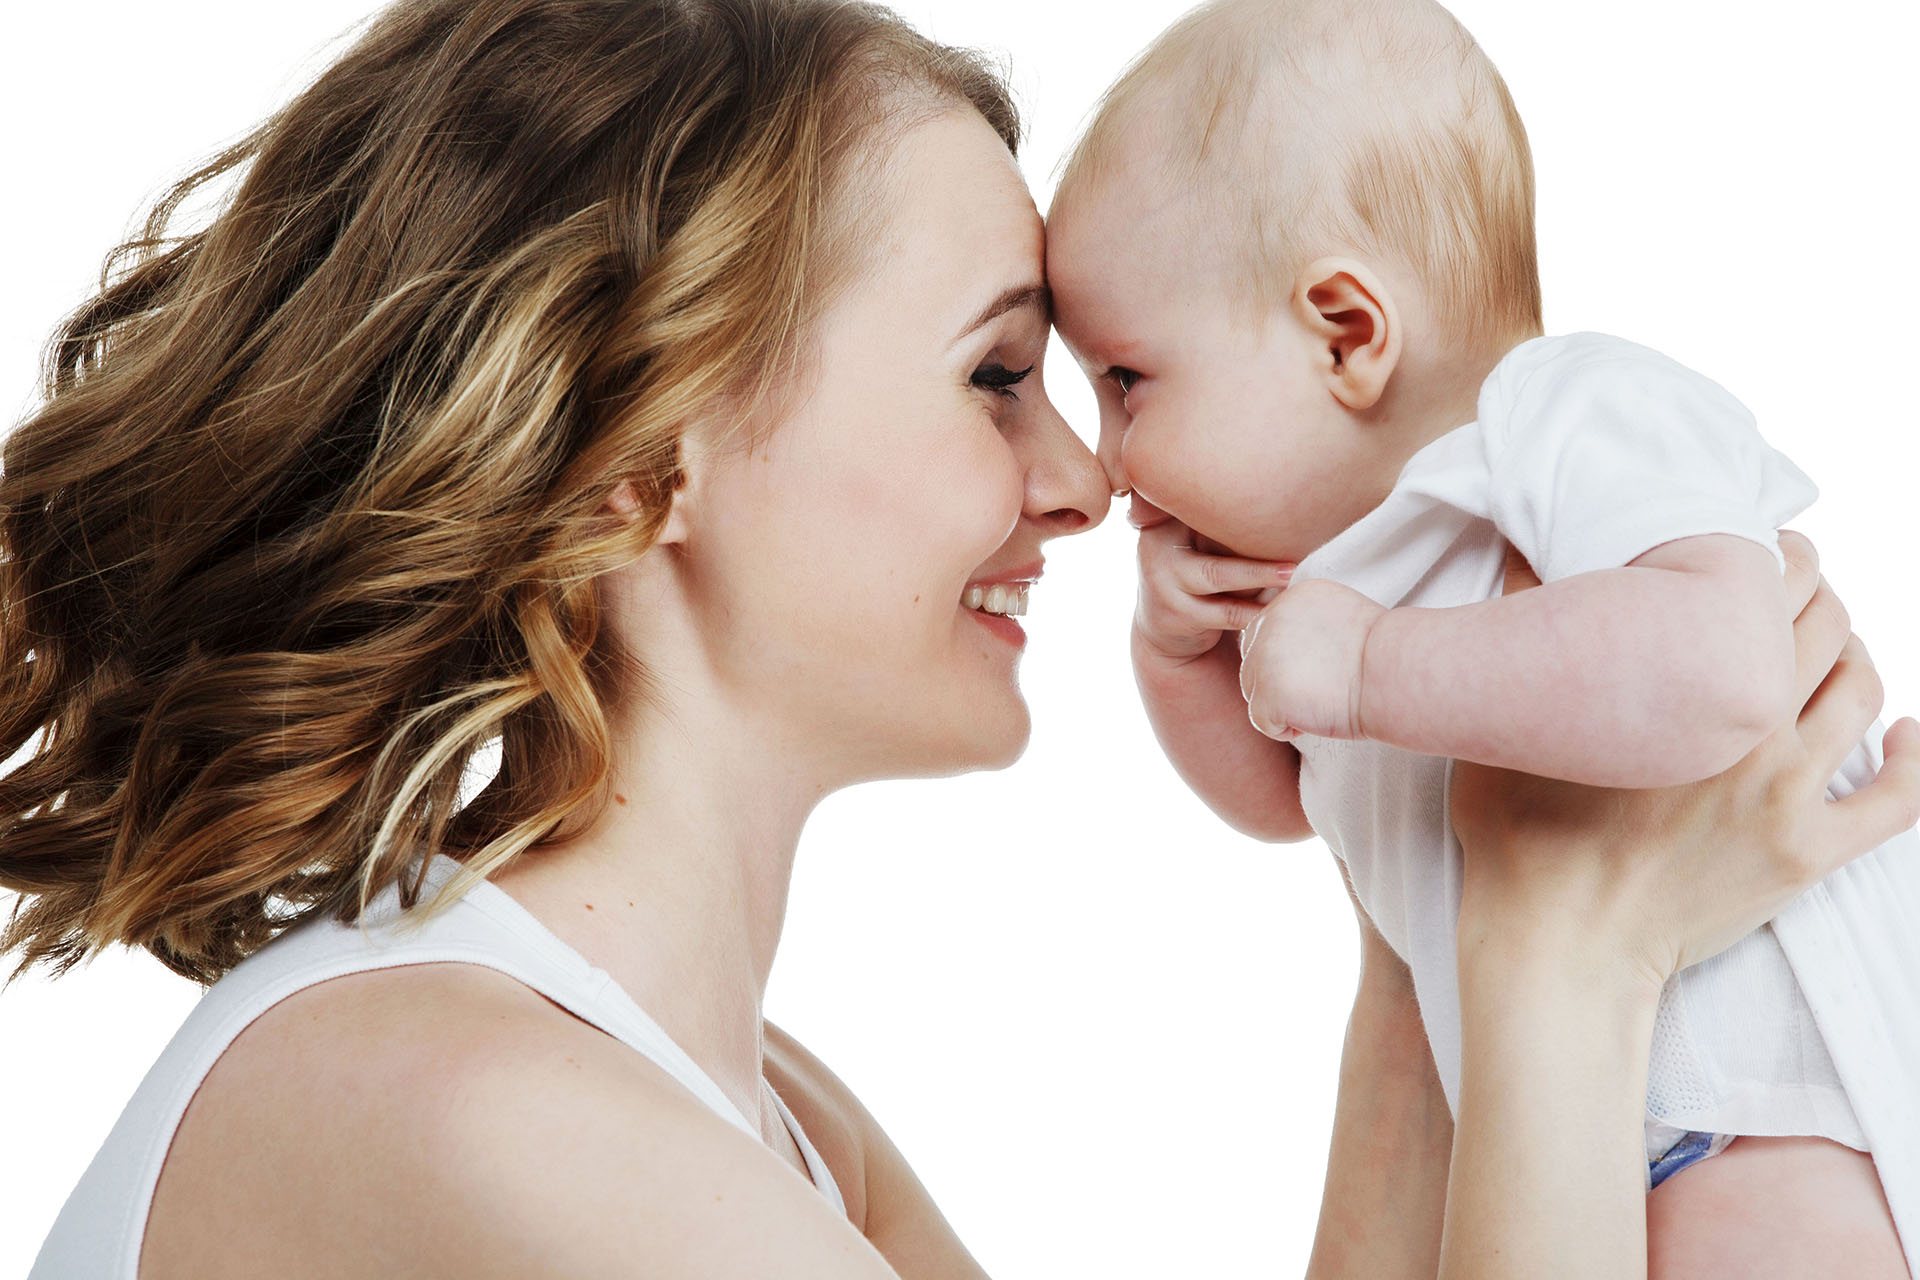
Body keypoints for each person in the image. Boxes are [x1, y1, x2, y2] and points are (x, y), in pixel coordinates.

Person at [0, 2, 1913, 1278]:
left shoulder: (785, 1131)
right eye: (998, 375)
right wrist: (1570, 952)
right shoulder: (482, 1122)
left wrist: (1431, 893)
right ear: (630, 467)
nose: (1088, 481)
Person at [1043, 0, 1919, 1272]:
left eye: (1126, 382)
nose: (1112, 464)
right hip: (1578, 1120)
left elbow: (1725, 667)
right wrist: (1176, 658)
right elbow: (1288, 805)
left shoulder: (1570, 416)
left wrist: (1365, 666)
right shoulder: (1350, 564)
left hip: (1771, 1113)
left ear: (1346, 332)